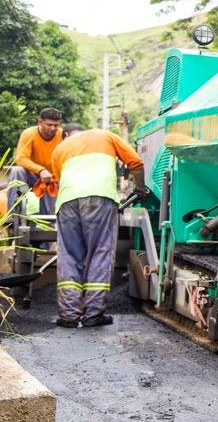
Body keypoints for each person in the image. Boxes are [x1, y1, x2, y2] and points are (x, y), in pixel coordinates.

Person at [50, 124, 145, 328]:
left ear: (66, 135)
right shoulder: (106, 135)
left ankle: (68, 315)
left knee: (68, 255)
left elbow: (59, 180)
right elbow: (136, 162)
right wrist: (140, 188)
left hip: (67, 201)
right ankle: (93, 314)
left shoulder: (59, 149)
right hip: (100, 198)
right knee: (100, 252)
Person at [6, 108, 64, 216]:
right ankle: (13, 214)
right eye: (49, 124)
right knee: (17, 171)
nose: (53, 128)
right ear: (40, 122)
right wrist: (41, 170)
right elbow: (20, 159)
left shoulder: (62, 135)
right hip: (29, 180)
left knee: (49, 214)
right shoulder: (29, 134)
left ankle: (47, 224)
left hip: (51, 180)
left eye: (56, 125)